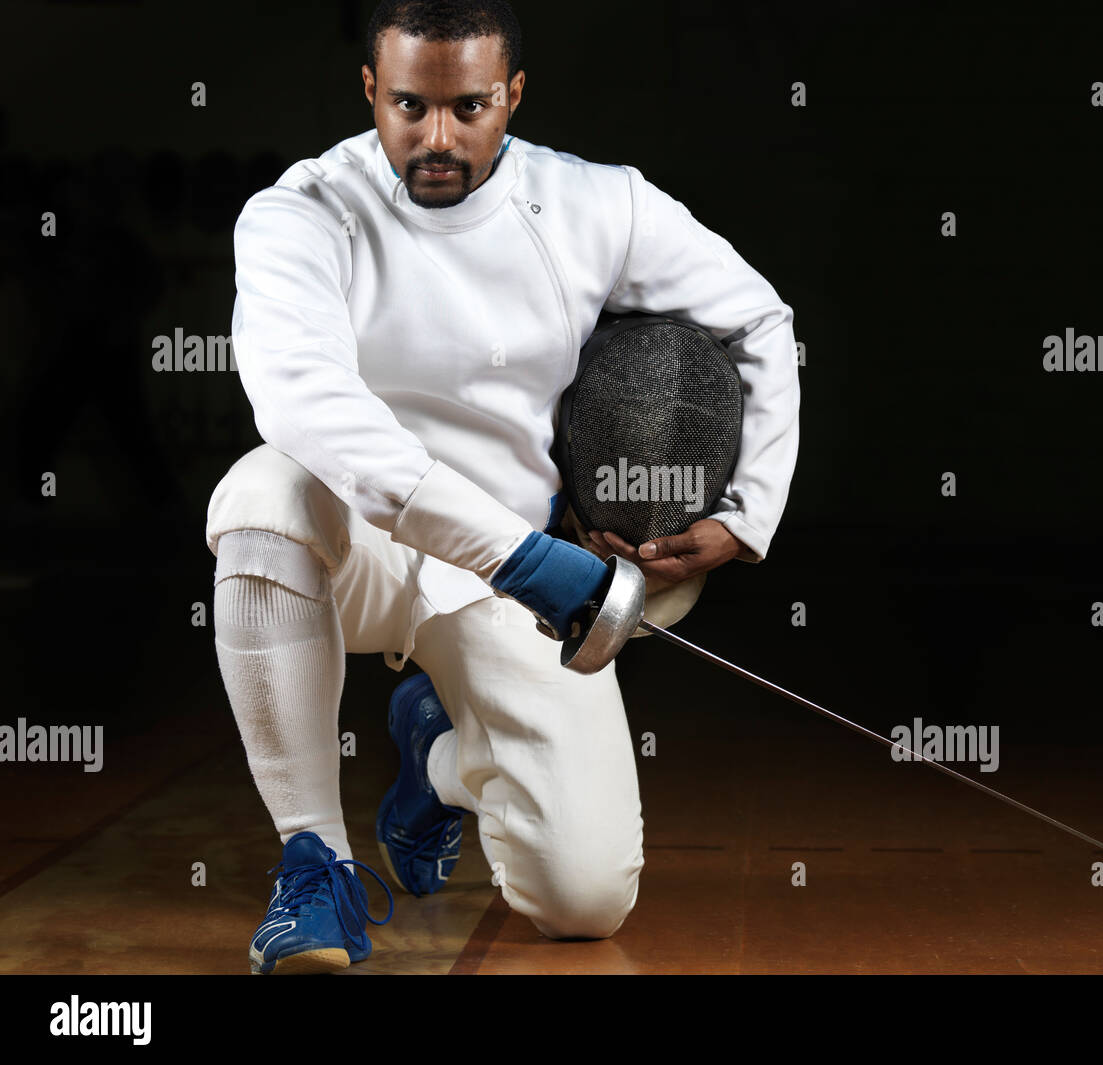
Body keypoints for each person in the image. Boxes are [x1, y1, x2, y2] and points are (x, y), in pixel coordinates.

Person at [207, 0, 799, 974]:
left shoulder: (597, 203)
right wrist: (526, 558)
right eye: (409, 106)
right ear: (371, 91)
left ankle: (437, 763)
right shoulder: (301, 211)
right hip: (365, 546)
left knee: (582, 899)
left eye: (468, 107)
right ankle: (314, 861)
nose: (437, 137)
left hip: (510, 585)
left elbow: (759, 322)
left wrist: (748, 514)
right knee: (261, 498)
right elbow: (305, 403)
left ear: (511, 95)